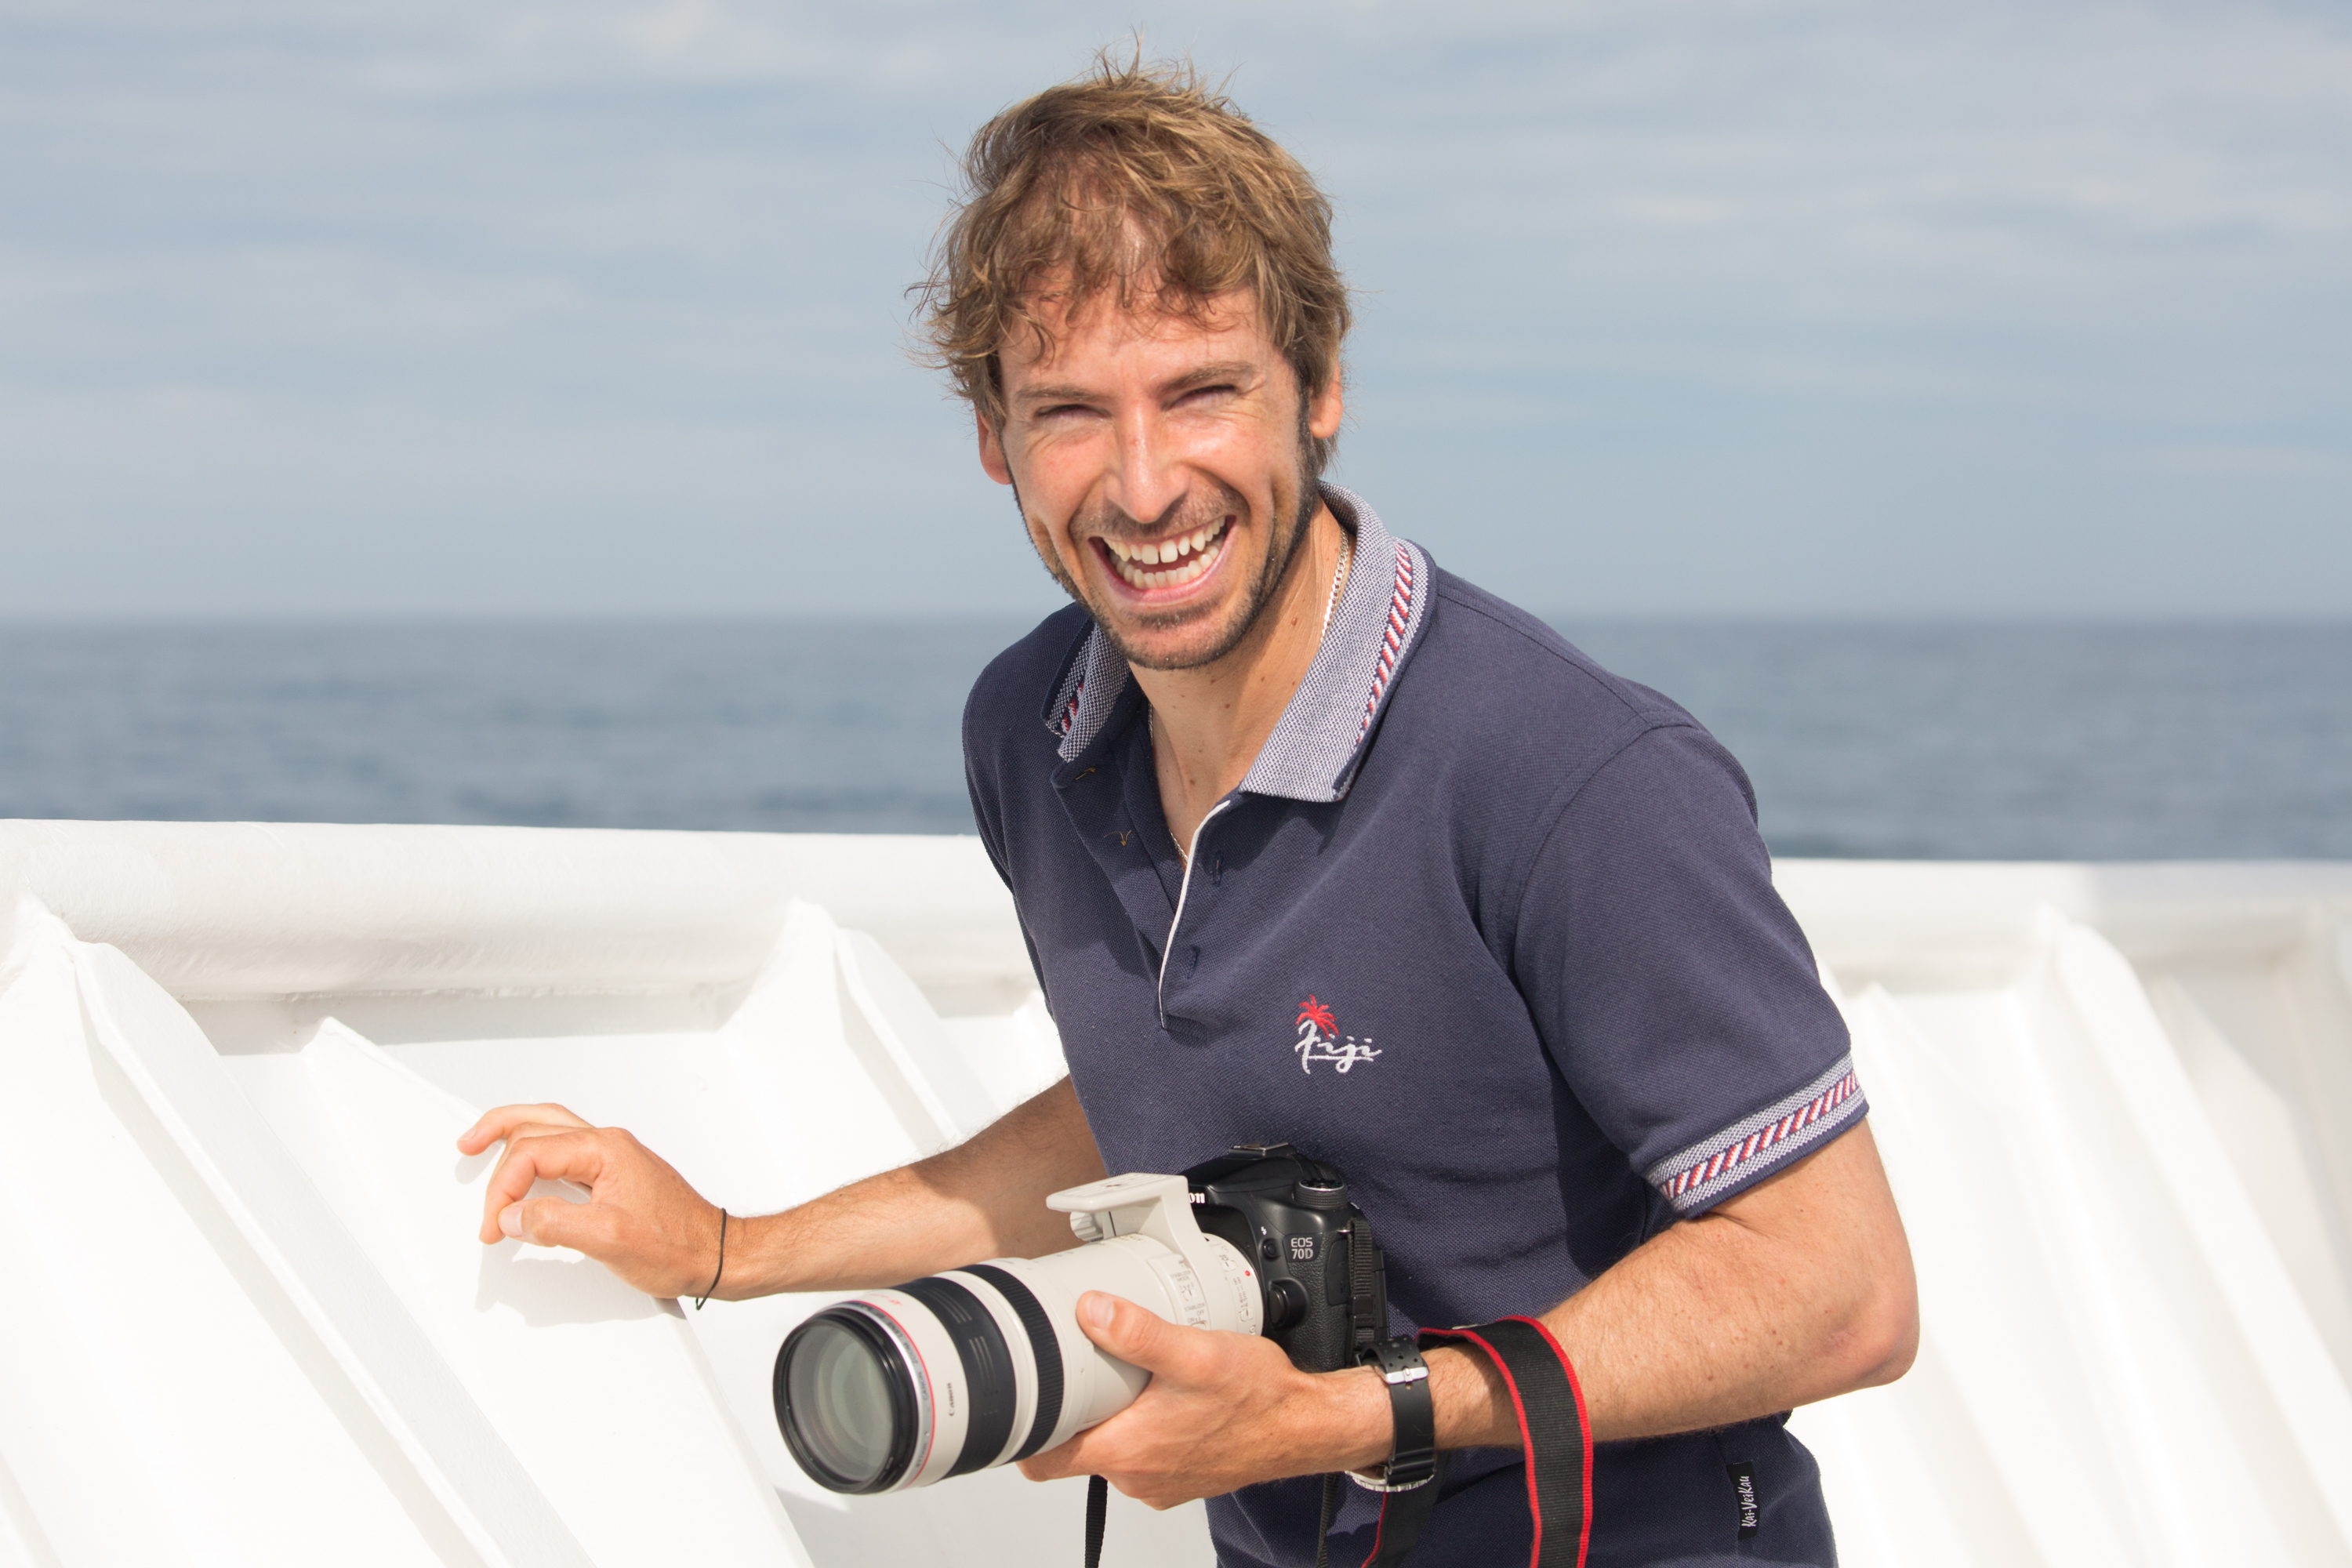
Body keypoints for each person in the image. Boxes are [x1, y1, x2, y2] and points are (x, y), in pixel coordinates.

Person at [457, 56, 1917, 1568]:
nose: (1145, 487)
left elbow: (1843, 1288)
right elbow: (1160, 1092)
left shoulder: (1568, 772)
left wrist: (1351, 1420)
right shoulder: (1030, 735)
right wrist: (731, 1250)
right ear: (994, 444)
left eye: (1202, 391)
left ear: (1321, 384)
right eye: (1073, 412)